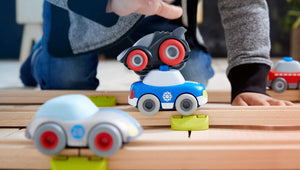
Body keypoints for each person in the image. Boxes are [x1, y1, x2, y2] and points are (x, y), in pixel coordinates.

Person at [20, 0, 293, 106]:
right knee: (67, 87)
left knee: (191, 74)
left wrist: (250, 81)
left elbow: (243, 5)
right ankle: (39, 57)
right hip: (78, 20)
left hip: (163, 19)